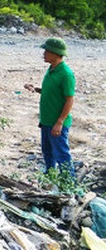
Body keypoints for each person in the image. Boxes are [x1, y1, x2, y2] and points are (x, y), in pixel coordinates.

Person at [24, 37, 76, 178]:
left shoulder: (66, 74)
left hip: (56, 123)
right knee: (47, 151)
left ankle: (69, 182)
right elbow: (51, 91)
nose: (44, 53)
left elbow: (69, 100)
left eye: (47, 51)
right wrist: (36, 89)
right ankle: (50, 175)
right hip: (46, 120)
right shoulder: (51, 69)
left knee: (61, 153)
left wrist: (59, 122)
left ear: (56, 53)